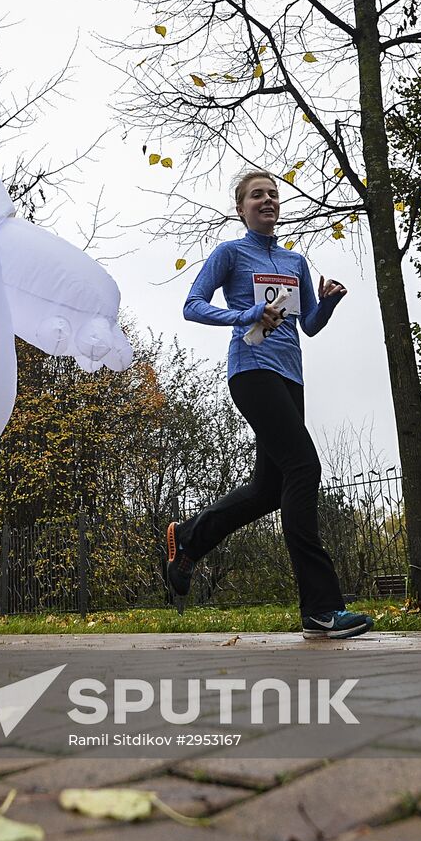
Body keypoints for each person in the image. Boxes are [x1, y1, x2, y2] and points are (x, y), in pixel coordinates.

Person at [167, 170, 374, 640]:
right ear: (241, 208)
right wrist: (245, 314)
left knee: (267, 489)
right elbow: (193, 305)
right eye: (257, 195)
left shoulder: (294, 261)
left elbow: (310, 326)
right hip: (251, 370)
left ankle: (189, 539)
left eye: (273, 195)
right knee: (304, 468)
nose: (267, 200)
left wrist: (329, 302)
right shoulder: (230, 253)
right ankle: (322, 609)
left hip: (291, 376)